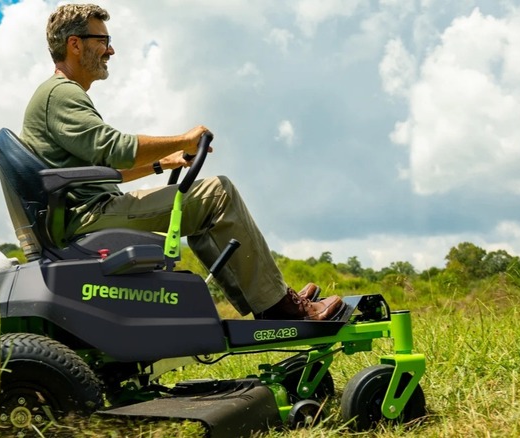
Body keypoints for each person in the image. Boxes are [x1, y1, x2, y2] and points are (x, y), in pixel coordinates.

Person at [20, 3, 343, 321]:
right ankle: (277, 306)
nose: (111, 50)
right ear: (74, 44)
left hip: (87, 212)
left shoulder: (58, 95)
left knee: (203, 206)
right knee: (218, 193)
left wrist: (164, 162)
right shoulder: (61, 95)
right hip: (89, 219)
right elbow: (114, 149)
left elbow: (104, 170)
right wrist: (183, 139)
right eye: (102, 40)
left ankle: (268, 298)